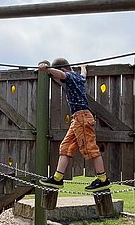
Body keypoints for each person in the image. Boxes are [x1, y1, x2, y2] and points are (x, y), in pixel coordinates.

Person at [38, 58, 110, 192]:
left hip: (81, 118)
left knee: (91, 148)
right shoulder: (79, 77)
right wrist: (83, 66)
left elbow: (61, 75)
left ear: (63, 69)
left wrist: (46, 68)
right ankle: (58, 178)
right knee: (66, 147)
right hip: (77, 119)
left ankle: (102, 179)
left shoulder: (69, 76)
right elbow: (84, 73)